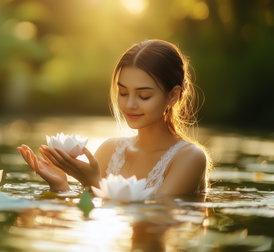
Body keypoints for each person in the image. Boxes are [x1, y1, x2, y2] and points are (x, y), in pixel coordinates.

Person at [17, 39, 211, 196]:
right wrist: (60, 186)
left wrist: (91, 181)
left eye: (144, 96)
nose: (130, 104)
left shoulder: (190, 158)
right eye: (124, 93)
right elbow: (88, 214)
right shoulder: (110, 150)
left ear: (173, 95)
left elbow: (157, 215)